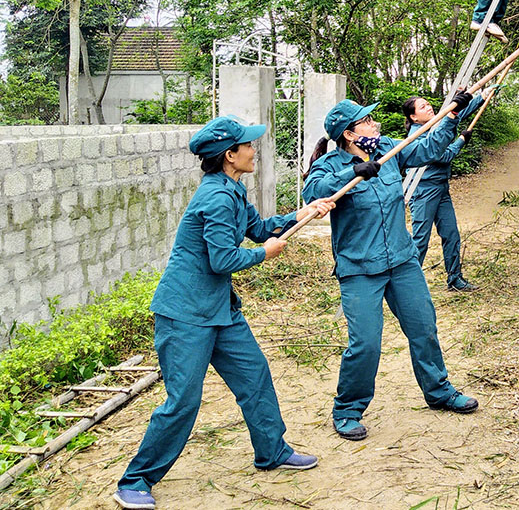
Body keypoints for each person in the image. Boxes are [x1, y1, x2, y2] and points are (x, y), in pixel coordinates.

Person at [113, 116, 335, 510]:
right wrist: (263, 254)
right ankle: (135, 480)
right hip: (185, 314)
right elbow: (222, 260)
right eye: (247, 145)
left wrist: (305, 212)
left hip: (219, 311)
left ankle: (272, 451)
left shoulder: (232, 189)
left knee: (254, 376)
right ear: (230, 155)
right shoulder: (215, 198)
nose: (254, 150)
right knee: (183, 401)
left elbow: (261, 227)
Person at [302, 94, 480, 442]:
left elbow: (427, 149)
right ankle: (348, 409)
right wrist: (351, 172)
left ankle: (439, 391)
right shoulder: (329, 164)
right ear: (349, 135)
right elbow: (313, 191)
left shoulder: (387, 148)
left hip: (401, 261)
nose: (374, 124)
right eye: (365, 121)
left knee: (424, 327)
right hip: (359, 268)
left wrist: (452, 116)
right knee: (365, 343)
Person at [402, 87, 493, 292]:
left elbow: (456, 116)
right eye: (422, 106)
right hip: (423, 190)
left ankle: (455, 279)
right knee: (420, 240)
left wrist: (480, 98)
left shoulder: (433, 125)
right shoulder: (416, 135)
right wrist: (460, 141)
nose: (429, 107)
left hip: (441, 188)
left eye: (428, 103)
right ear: (413, 117)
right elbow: (441, 156)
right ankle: (407, 286)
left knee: (451, 234)